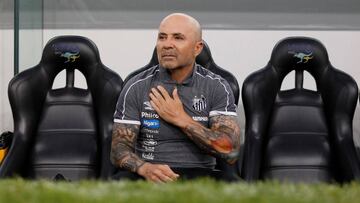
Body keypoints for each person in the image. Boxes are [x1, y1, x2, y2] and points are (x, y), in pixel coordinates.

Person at [111, 13, 241, 183]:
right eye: (162, 37)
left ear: (197, 48)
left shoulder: (217, 86)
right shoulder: (136, 86)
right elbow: (118, 150)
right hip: (149, 173)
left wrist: (181, 119)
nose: (167, 45)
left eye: (178, 38)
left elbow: (231, 152)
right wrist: (144, 168)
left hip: (202, 175)